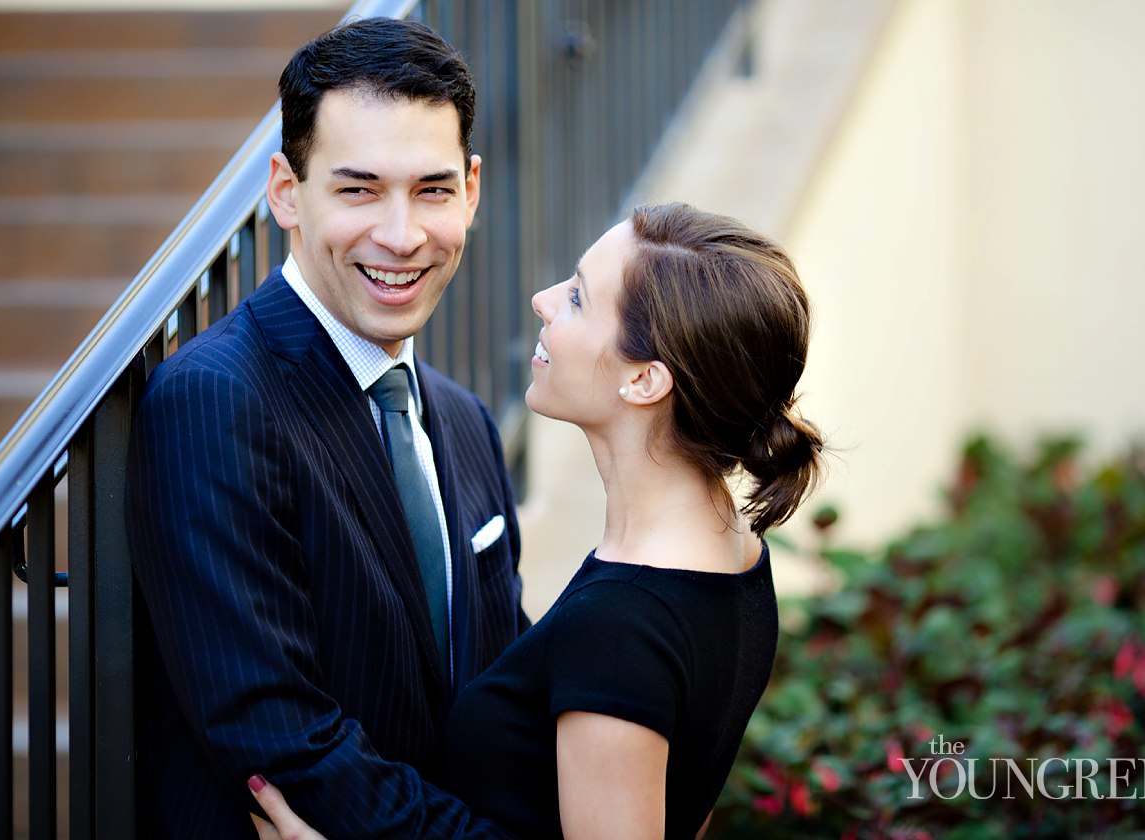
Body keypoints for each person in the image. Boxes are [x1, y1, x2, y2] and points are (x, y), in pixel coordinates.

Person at [245, 202, 826, 839]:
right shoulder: (734, 557)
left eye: (578, 298)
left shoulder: (622, 627)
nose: (543, 300)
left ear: (643, 380)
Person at [127, 17, 526, 839]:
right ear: (285, 191)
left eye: (433, 189)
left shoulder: (462, 418)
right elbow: (280, 737)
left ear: (473, 190)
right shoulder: (214, 398)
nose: (401, 235)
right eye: (358, 189)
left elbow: (504, 694)